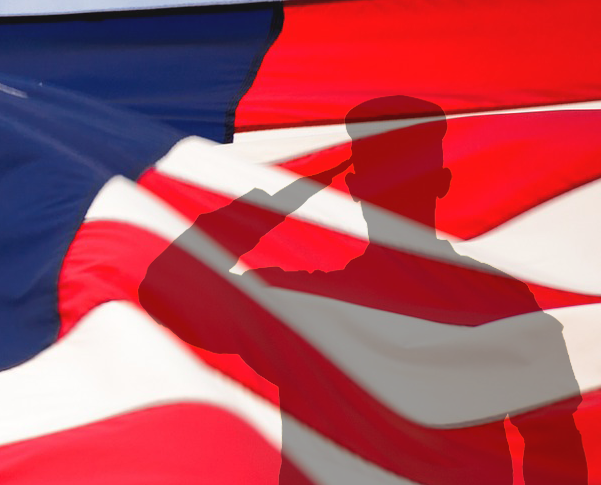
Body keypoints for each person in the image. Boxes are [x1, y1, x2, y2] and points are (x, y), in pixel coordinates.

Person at [141, 96, 585, 483]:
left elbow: (553, 440)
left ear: (351, 189)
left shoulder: (496, 300)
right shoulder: (303, 303)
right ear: (443, 181)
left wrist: (285, 194)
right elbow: (164, 292)